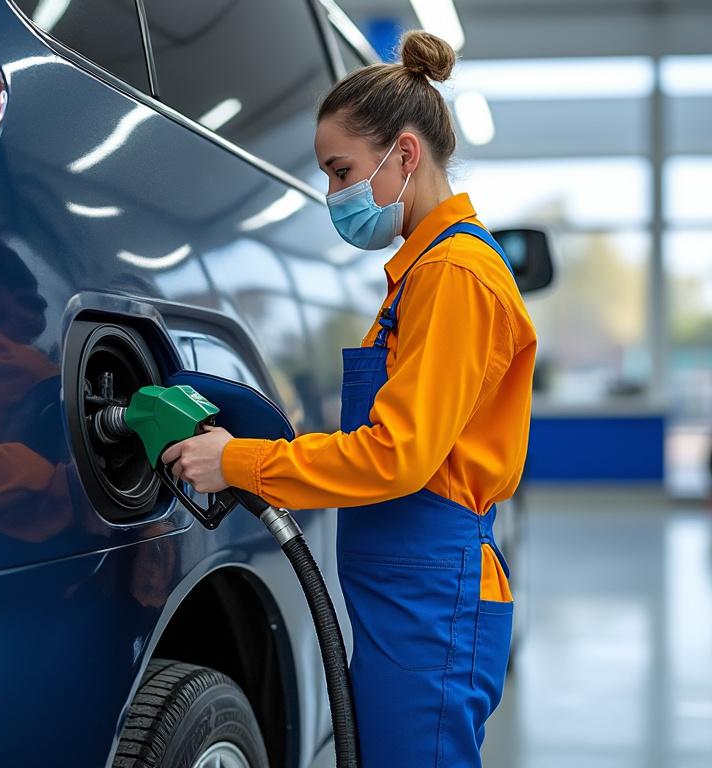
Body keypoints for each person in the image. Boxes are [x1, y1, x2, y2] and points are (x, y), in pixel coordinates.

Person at [162, 29, 537, 767]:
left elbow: (397, 456)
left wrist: (240, 462)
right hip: (407, 592)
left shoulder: (455, 275)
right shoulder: (419, 274)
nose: (333, 195)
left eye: (341, 172)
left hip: (433, 597)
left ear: (404, 154)